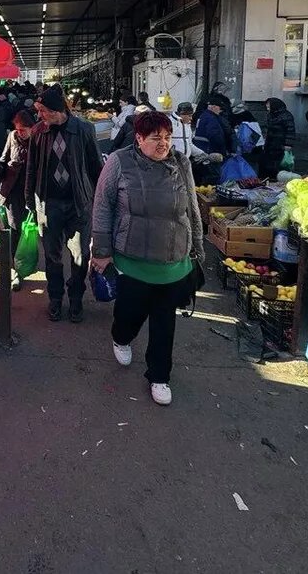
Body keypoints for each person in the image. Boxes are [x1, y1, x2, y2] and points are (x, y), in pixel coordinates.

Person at [91, 110, 205, 407]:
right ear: (139, 138)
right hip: (132, 261)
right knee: (130, 314)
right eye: (156, 138)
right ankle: (121, 336)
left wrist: (198, 250)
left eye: (167, 138)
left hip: (172, 260)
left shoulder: (181, 163)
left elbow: (192, 208)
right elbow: (103, 206)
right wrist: (101, 251)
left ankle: (159, 376)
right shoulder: (119, 162)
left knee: (164, 323)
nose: (163, 144)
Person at [25, 85, 103, 323]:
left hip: (78, 204)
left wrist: (99, 201)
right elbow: (32, 168)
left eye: (43, 111)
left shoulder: (84, 130)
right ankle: (56, 299)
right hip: (48, 205)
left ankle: (76, 299)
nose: (39, 116)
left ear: (58, 110)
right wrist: (30, 198)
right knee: (52, 255)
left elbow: (96, 167)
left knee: (80, 255)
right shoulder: (38, 132)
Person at [0, 109, 35, 289]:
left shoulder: (38, 139)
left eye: (23, 130)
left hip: (31, 191)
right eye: (18, 129)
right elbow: (4, 157)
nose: (20, 133)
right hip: (12, 190)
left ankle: (25, 264)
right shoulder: (12, 136)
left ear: (31, 128)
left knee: (28, 230)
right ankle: (15, 270)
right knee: (14, 229)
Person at [261, 98, 296, 178]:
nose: (268, 109)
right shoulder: (270, 115)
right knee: (268, 163)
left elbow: (290, 130)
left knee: (279, 163)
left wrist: (288, 144)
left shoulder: (286, 115)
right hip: (270, 143)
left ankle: (277, 177)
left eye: (269, 107)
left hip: (280, 143)